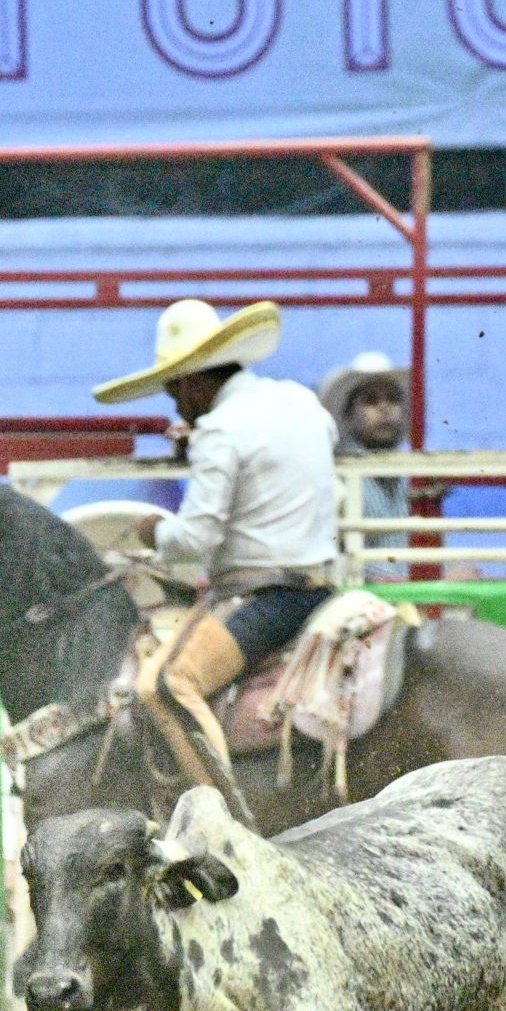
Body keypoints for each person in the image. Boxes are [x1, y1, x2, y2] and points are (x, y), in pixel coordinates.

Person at [96, 300, 337, 804]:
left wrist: (150, 531)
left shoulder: (220, 432)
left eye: (174, 393)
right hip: (321, 584)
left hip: (266, 597)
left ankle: (223, 818)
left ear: (189, 383)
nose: (176, 408)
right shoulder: (299, 402)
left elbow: (195, 539)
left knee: (162, 685)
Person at [320, 352, 412, 583]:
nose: (384, 409)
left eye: (392, 399)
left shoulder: (411, 475)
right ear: (348, 417)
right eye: (370, 401)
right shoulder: (336, 477)